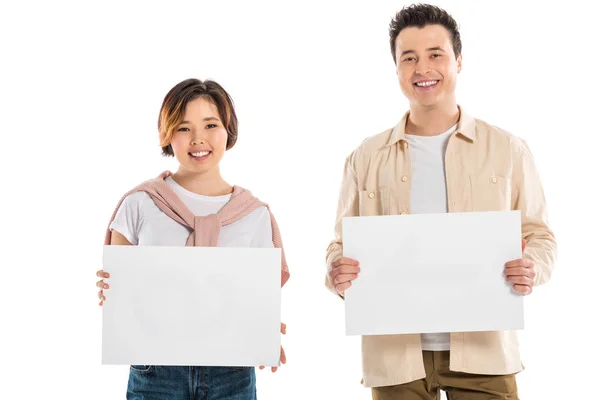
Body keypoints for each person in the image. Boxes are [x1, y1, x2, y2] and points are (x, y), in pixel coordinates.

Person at [325, 4, 556, 399]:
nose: (422, 69)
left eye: (436, 55)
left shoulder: (508, 150)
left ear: (458, 61)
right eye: (408, 58)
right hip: (395, 357)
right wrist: (335, 274)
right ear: (396, 68)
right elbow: (339, 246)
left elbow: (540, 236)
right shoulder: (364, 157)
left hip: (485, 352)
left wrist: (532, 267)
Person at [95, 78, 289, 400]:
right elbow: (122, 297)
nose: (198, 139)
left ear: (229, 130)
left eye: (210, 124)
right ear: (167, 134)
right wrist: (111, 292)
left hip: (232, 372)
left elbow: (255, 297)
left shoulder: (255, 215)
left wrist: (264, 330)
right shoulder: (139, 203)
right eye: (184, 128)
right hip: (156, 370)